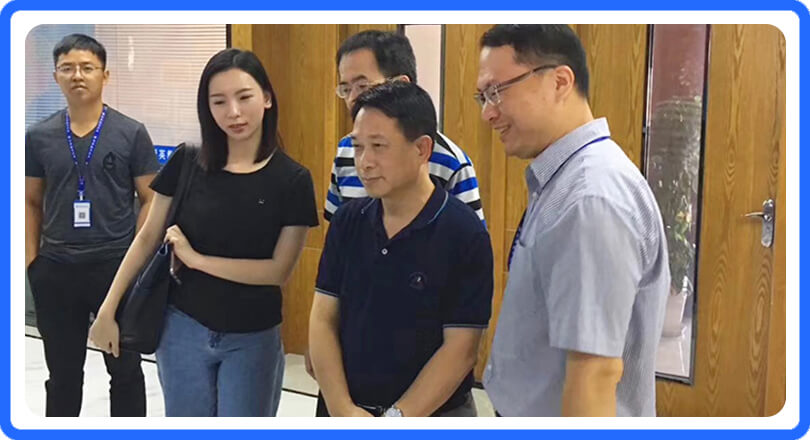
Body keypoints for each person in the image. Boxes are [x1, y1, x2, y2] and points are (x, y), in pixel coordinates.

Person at [89, 48, 319, 416]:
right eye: (219, 101)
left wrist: (195, 259)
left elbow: (277, 271)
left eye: (244, 97)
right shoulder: (187, 162)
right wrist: (108, 308)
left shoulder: (292, 180)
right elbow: (147, 238)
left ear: (267, 98)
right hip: (182, 328)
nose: (234, 112)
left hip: (252, 337)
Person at [477, 24, 670, 417]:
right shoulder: (563, 180)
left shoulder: (590, 197)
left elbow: (594, 375)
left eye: (497, 91)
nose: (488, 113)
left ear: (560, 82)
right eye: (483, 96)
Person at [309, 82, 493, 417]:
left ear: (422, 149)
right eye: (358, 147)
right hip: (345, 410)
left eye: (379, 146)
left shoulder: (464, 233)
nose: (364, 162)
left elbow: (461, 349)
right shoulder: (349, 220)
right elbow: (323, 317)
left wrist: (395, 420)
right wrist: (341, 409)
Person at [25, 33, 156, 417]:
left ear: (105, 75)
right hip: (56, 269)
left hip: (114, 268)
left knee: (125, 371)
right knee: (62, 375)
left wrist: (136, 260)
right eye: (67, 68)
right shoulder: (39, 136)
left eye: (87, 67)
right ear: (56, 76)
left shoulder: (131, 132)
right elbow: (30, 201)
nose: (77, 75)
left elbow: (151, 198)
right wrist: (32, 263)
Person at [326, 30, 484, 222]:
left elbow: (468, 233)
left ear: (401, 85)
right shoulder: (345, 150)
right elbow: (336, 227)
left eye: (363, 86)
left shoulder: (451, 162)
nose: (352, 99)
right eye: (346, 89)